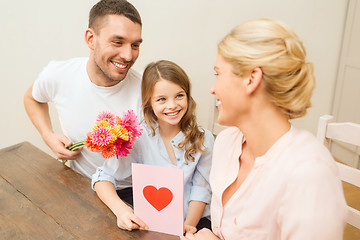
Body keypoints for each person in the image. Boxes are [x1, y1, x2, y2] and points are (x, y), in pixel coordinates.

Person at [182, 19, 347, 240]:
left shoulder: (309, 174)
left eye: (218, 74)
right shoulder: (226, 143)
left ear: (252, 79)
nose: (213, 88)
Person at [23, 0, 143, 189]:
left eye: (135, 45)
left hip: (132, 193)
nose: (128, 56)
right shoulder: (60, 74)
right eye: (117, 42)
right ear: (90, 39)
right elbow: (32, 98)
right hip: (81, 185)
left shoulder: (149, 91)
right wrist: (48, 136)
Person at [92, 60, 214, 233]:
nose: (172, 105)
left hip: (194, 224)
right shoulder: (138, 137)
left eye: (179, 95)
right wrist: (121, 211)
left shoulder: (204, 138)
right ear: (149, 102)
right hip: (151, 226)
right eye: (162, 99)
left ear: (188, 95)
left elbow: (201, 189)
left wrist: (188, 227)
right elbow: (102, 178)